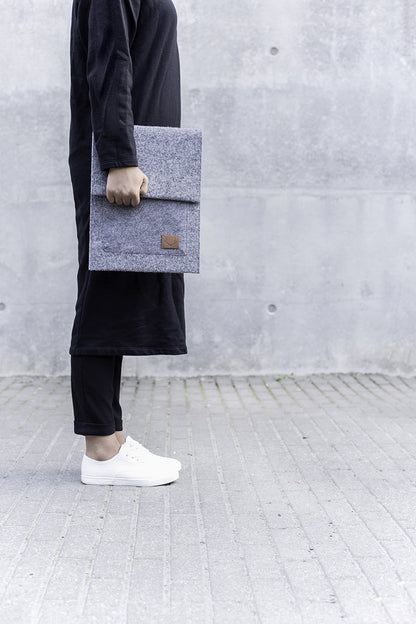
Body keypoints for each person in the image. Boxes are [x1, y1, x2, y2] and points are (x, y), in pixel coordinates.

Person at [68, 0, 185, 486]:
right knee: (104, 292)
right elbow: (110, 58)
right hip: (122, 162)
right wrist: (119, 158)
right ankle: (100, 450)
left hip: (136, 155)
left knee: (117, 292)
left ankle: (111, 438)